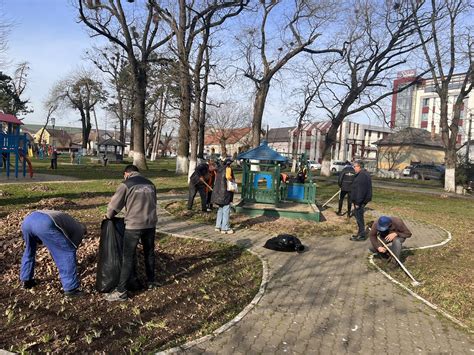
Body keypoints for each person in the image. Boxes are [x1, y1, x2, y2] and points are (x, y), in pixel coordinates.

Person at [104, 165, 157, 301]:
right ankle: (151, 282)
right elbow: (154, 203)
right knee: (149, 253)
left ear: (126, 174)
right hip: (150, 224)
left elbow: (115, 205)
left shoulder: (126, 184)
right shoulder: (150, 184)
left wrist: (108, 216)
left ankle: (121, 291)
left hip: (134, 226)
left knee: (127, 257)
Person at [20, 210, 87, 297]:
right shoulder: (79, 230)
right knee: (67, 252)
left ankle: (27, 280)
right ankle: (71, 289)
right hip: (44, 223)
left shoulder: (69, 221)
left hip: (28, 221)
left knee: (29, 249)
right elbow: (71, 248)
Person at [350, 161, 372, 241]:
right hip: (361, 200)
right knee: (359, 217)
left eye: (355, 166)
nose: (354, 168)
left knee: (359, 218)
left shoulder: (362, 176)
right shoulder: (363, 174)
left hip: (359, 201)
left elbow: (361, 191)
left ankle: (362, 235)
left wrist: (358, 203)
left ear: (359, 167)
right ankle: (360, 233)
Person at [212, 158, 235, 234]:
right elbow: (228, 177)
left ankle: (218, 226)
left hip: (218, 193)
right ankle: (225, 228)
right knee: (226, 210)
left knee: (220, 209)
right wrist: (233, 181)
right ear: (229, 163)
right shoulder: (228, 169)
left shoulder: (219, 169)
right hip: (225, 193)